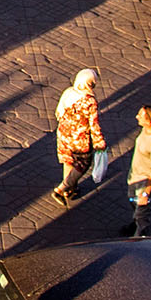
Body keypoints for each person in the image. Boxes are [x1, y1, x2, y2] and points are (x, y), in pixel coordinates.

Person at [51, 68, 107, 206]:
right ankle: (61, 189)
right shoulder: (89, 101)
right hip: (79, 139)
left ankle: (70, 189)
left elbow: (59, 112)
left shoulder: (69, 92)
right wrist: (99, 142)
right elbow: (93, 124)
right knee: (83, 163)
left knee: (68, 160)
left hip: (64, 134)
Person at [123, 106, 151, 238]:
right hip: (135, 177)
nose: (137, 117)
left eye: (140, 116)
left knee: (142, 211)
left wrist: (146, 194)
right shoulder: (146, 129)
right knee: (133, 201)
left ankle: (139, 237)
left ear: (149, 121)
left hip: (144, 183)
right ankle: (135, 223)